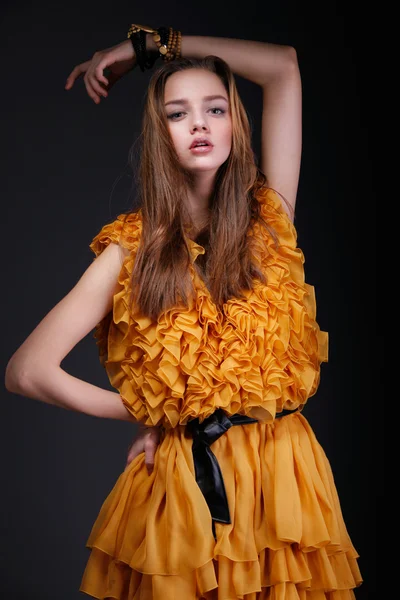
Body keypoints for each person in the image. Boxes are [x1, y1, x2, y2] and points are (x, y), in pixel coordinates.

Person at [5, 23, 363, 600]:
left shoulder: (272, 221)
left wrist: (151, 47)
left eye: (215, 108)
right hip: (184, 489)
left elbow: (283, 67)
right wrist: (158, 415)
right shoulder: (130, 250)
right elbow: (27, 371)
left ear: (234, 125)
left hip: (287, 484)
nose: (199, 123)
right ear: (159, 134)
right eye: (177, 113)